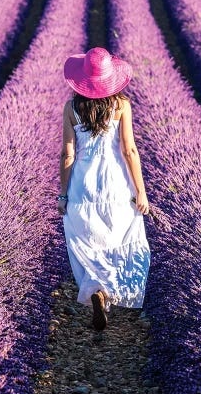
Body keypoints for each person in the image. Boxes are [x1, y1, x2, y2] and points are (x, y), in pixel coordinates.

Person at [58, 47, 151, 331]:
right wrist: (141, 190)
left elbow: (67, 154)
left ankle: (97, 291)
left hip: (83, 184)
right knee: (119, 238)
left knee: (89, 241)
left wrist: (63, 194)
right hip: (115, 182)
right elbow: (129, 150)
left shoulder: (72, 108)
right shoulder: (121, 105)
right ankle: (107, 292)